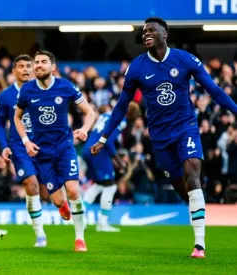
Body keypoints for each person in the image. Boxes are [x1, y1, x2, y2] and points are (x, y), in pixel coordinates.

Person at [90, 17, 237, 259]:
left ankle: (199, 245)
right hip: (159, 137)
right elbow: (120, 108)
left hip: (185, 127)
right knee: (184, 190)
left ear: (164, 33)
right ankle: (198, 205)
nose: (146, 34)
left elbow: (215, 91)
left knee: (193, 173)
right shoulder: (136, 68)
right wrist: (104, 138)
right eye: (143, 31)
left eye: (151, 30)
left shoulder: (185, 59)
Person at [14, 50, 95, 252]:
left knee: (74, 190)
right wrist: (26, 141)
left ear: (53, 67)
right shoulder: (27, 90)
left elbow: (89, 112)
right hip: (42, 152)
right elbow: (17, 118)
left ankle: (79, 239)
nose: (38, 65)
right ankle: (62, 205)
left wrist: (84, 130)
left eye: (43, 62)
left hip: (65, 147)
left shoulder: (65, 86)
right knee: (58, 200)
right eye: (36, 63)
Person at [0, 54, 71, 247]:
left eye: (29, 65)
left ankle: (64, 204)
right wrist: (5, 146)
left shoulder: (44, 89)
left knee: (51, 196)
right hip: (20, 145)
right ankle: (40, 234)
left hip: (44, 145)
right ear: (14, 71)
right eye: (21, 66)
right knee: (31, 184)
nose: (26, 69)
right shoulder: (5, 96)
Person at [82, 103, 139, 232]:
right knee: (111, 186)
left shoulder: (105, 114)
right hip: (98, 152)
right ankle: (102, 223)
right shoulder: (121, 120)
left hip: (88, 150)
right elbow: (107, 140)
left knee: (99, 184)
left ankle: (80, 215)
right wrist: (118, 161)